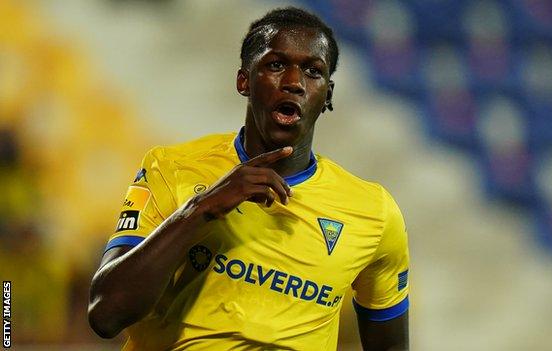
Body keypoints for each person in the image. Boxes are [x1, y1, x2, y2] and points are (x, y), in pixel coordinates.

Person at [88, 7, 410, 351]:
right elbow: (106, 314)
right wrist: (200, 210)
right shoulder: (170, 168)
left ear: (327, 94)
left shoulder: (373, 213)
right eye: (275, 65)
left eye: (312, 71)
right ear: (244, 81)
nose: (293, 82)